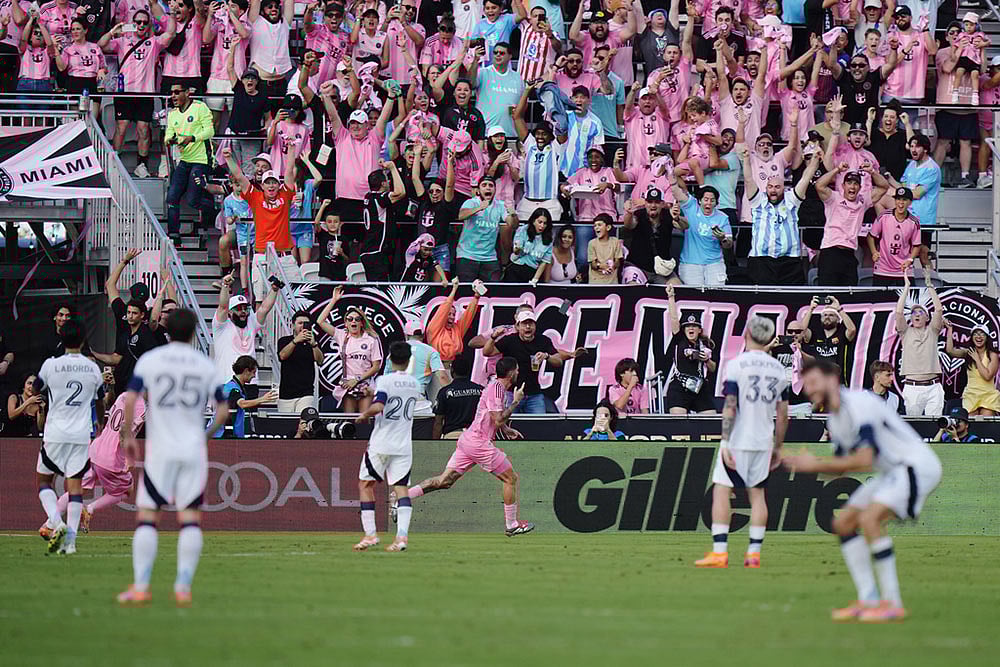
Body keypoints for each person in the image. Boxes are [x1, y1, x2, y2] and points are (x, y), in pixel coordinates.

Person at [784, 358, 942, 623]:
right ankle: (868, 598)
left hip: (915, 465)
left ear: (832, 380)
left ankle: (892, 603)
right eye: (806, 384)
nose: (808, 389)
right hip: (893, 471)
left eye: (813, 382)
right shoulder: (835, 420)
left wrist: (816, 464)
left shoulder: (859, 403)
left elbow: (865, 460)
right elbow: (842, 468)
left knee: (869, 519)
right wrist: (805, 466)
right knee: (844, 522)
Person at [116, 309, 229, 606]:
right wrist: (206, 435)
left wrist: (128, 435)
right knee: (190, 519)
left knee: (147, 518)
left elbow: (130, 399)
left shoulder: (151, 361)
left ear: (168, 330)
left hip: (161, 450)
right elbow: (223, 411)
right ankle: (183, 586)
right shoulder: (204, 364)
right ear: (193, 333)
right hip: (192, 449)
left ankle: (141, 586)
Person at [696, 315, 788, 569]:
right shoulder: (778, 370)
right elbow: (783, 415)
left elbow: (730, 405)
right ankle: (754, 554)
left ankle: (720, 552)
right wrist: (778, 447)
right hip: (763, 439)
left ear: (747, 334)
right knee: (758, 495)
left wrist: (725, 441)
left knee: (722, 491)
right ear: (769, 338)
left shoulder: (737, 364)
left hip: (738, 438)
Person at [407, 357, 535, 537]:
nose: (519, 373)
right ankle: (511, 524)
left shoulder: (494, 386)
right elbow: (497, 419)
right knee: (510, 479)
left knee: (445, 481)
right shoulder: (497, 389)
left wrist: (506, 429)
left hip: (468, 440)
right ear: (512, 372)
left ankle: (403, 498)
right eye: (517, 370)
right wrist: (516, 402)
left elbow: (490, 415)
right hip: (478, 443)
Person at [35, 320, 103, 556]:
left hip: (55, 432)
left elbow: (35, 388)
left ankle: (56, 521)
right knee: (75, 488)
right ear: (83, 340)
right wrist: (100, 423)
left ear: (62, 339)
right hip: (81, 433)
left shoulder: (51, 365)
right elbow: (101, 399)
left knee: (44, 481)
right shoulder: (92, 367)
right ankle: (71, 542)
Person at [43, 390, 147, 538]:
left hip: (95, 450)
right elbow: (125, 430)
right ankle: (90, 508)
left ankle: (48, 524)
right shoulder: (141, 405)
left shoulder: (123, 395)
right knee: (126, 490)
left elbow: (106, 411)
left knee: (77, 490)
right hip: (111, 458)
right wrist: (129, 458)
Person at [351, 342, 424, 552]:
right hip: (403, 444)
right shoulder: (414, 384)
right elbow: (394, 397)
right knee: (401, 489)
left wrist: (365, 413)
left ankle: (371, 534)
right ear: (409, 360)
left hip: (382, 442)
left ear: (390, 359)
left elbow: (381, 404)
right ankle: (401, 537)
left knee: (365, 485)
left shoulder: (385, 380)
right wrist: (374, 392)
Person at [482, 310, 586, 414]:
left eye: (530, 323)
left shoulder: (543, 340)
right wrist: (493, 337)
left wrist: (547, 356)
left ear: (535, 326)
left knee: (538, 425)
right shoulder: (509, 340)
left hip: (534, 394)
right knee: (510, 424)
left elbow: (558, 361)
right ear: (517, 327)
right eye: (524, 324)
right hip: (512, 393)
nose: (528, 327)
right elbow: (487, 352)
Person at [741, 145, 816, 286]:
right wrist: (745, 160)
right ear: (766, 188)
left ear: (784, 188)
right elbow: (749, 179)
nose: (773, 190)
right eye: (770, 187)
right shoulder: (758, 201)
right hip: (761, 260)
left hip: (790, 261)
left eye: (777, 187)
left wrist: (815, 161)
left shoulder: (792, 199)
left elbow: (806, 178)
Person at [92, 249, 159, 395]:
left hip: (123, 369)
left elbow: (110, 284)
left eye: (134, 313)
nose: (130, 316)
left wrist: (125, 261)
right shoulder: (148, 317)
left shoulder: (122, 309)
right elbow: (158, 316)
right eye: (130, 313)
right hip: (137, 376)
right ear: (147, 299)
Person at [163, 83, 216, 247]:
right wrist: (170, 140)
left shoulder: (200, 108)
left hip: (202, 160)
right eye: (171, 93)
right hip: (185, 160)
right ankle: (174, 235)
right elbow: (168, 134)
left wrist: (191, 138)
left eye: (177, 92)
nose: (173, 96)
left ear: (187, 92)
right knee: (171, 198)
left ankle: (214, 210)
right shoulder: (172, 114)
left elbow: (210, 132)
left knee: (193, 200)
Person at [317, 286, 383, 413]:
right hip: (348, 385)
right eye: (350, 319)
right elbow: (320, 321)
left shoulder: (371, 340)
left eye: (357, 319)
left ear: (362, 323)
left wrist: (357, 379)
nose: (354, 321)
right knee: (349, 420)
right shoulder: (342, 336)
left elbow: (376, 366)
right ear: (346, 323)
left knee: (364, 421)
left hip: (365, 384)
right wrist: (334, 300)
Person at [895, 270, 945, 417]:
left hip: (933, 386)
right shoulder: (905, 331)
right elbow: (898, 313)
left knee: (935, 424)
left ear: (927, 318)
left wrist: (930, 286)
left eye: (920, 313)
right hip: (912, 387)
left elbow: (939, 309)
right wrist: (906, 288)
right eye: (914, 313)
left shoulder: (933, 330)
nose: (916, 315)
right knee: (914, 425)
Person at [671, 178, 733, 287]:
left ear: (716, 203)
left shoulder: (723, 218)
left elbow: (729, 244)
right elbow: (676, 191)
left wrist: (722, 238)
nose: (708, 203)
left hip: (715, 264)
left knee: (717, 296)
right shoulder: (692, 206)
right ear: (700, 200)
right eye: (706, 199)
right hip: (690, 264)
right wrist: (670, 173)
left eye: (712, 200)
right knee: (693, 299)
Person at [665, 285, 717, 415]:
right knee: (679, 422)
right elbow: (674, 319)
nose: (690, 328)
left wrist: (706, 359)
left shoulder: (705, 344)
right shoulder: (679, 339)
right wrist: (671, 297)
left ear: (699, 330)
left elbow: (713, 368)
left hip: (699, 386)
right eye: (687, 326)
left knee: (711, 419)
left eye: (694, 326)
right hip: (680, 386)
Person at [455, 176, 516, 282]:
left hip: (489, 258)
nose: (488, 188)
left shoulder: (500, 205)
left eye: (491, 186)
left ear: (495, 190)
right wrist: (479, 208)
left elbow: (512, 224)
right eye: (484, 185)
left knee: (492, 292)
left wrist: (513, 215)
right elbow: (461, 215)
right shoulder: (471, 202)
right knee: (465, 292)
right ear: (478, 190)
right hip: (467, 255)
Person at [622, 187, 685, 284]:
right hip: (638, 267)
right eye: (650, 202)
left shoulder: (669, 215)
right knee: (632, 287)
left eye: (657, 202)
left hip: (662, 269)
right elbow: (629, 225)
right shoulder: (639, 214)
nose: (653, 205)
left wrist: (677, 218)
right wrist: (629, 213)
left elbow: (684, 226)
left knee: (676, 287)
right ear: (645, 203)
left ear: (662, 204)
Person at [358, 162, 406, 281]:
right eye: (387, 180)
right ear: (383, 183)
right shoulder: (379, 199)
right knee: (380, 292)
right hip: (376, 251)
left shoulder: (368, 197)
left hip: (369, 251)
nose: (390, 182)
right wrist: (393, 168)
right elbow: (401, 192)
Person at [798, 295, 858, 385]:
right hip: (818, 381)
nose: (827, 317)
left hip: (838, 382)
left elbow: (852, 330)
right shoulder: (816, 335)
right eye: (825, 315)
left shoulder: (841, 334)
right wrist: (811, 309)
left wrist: (839, 309)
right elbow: (801, 330)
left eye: (831, 315)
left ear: (838, 319)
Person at [867, 188, 921, 286]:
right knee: (879, 299)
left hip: (903, 269)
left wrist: (910, 260)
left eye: (904, 200)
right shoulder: (884, 216)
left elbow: (916, 245)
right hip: (883, 268)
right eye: (898, 199)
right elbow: (871, 236)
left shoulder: (914, 222)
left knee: (909, 300)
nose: (901, 203)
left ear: (910, 202)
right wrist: (874, 252)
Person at [944, 323, 1000, 416]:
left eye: (982, 334)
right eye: (975, 334)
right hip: (971, 394)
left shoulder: (992, 354)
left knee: (985, 425)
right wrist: (950, 330)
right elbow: (950, 351)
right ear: (972, 337)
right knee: (971, 425)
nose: (978, 336)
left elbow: (987, 376)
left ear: (987, 337)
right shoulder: (968, 352)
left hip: (988, 395)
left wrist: (977, 359)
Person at [426, 277, 483, 367]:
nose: (452, 317)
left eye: (454, 314)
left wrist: (476, 297)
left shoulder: (456, 329)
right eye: (449, 314)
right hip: (436, 368)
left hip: (452, 368)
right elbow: (444, 308)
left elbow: (468, 315)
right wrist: (454, 289)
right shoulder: (434, 328)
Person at [276, 311, 324, 413]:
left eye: (306, 323)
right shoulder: (284, 341)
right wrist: (295, 341)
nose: (303, 326)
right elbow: (282, 356)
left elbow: (320, 361)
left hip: (306, 392)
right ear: (293, 325)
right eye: (300, 323)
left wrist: (313, 345)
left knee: (302, 421)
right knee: (286, 425)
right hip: (286, 393)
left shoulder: (313, 342)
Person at [217, 355, 276, 438]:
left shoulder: (234, 386)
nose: (254, 376)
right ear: (246, 371)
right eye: (253, 372)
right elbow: (242, 404)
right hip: (224, 435)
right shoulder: (232, 388)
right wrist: (263, 399)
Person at [432, 356, 483, 439]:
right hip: (475, 436)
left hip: (452, 436)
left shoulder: (445, 392)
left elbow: (438, 422)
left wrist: (435, 446)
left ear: (452, 371)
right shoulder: (481, 390)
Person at [507, 207, 554, 284]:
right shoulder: (522, 230)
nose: (542, 226)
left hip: (533, 271)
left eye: (545, 223)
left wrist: (535, 280)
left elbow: (544, 262)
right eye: (540, 222)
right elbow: (516, 252)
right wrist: (518, 249)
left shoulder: (549, 239)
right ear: (533, 221)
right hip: (516, 267)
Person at [587, 214, 624, 285]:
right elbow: (593, 264)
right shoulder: (592, 243)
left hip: (612, 283)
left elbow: (618, 261)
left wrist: (612, 266)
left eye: (599, 225)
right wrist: (601, 266)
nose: (596, 228)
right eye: (595, 226)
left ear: (608, 227)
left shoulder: (615, 241)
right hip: (595, 283)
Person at [6, 373, 46, 437]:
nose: (31, 387)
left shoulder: (37, 404)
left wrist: (42, 409)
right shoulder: (14, 397)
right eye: (29, 383)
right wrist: (28, 402)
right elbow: (11, 415)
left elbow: (40, 427)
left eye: (34, 384)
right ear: (23, 386)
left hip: (27, 440)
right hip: (10, 438)